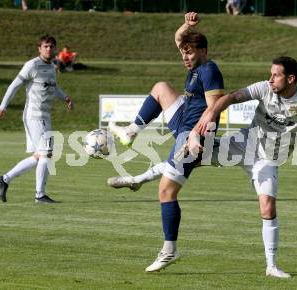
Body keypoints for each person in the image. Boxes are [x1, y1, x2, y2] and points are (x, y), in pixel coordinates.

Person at [108, 56, 297, 278]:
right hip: (244, 145)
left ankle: (271, 267)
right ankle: (137, 180)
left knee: (268, 207)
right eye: (270, 74)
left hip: (267, 160)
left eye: (276, 75)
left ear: (291, 78)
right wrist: (210, 112)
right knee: (189, 156)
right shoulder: (263, 88)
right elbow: (231, 97)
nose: (270, 79)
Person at [108, 12, 224, 273]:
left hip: (193, 135)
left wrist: (196, 137)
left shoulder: (209, 71)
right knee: (161, 87)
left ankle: (169, 250)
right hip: (183, 122)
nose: (185, 57)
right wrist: (187, 26)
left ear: (203, 51)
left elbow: (214, 109)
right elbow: (178, 38)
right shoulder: (195, 67)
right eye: (183, 52)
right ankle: (131, 132)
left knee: (166, 192)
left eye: (190, 52)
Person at [0, 35, 73, 204]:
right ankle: (39, 195)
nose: (48, 49)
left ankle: (4, 179)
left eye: (51, 46)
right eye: (45, 46)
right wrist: (2, 107)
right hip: (34, 116)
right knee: (47, 154)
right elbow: (14, 86)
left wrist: (65, 97)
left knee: (39, 156)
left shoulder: (51, 66)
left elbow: (53, 86)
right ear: (39, 48)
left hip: (45, 116)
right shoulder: (32, 65)